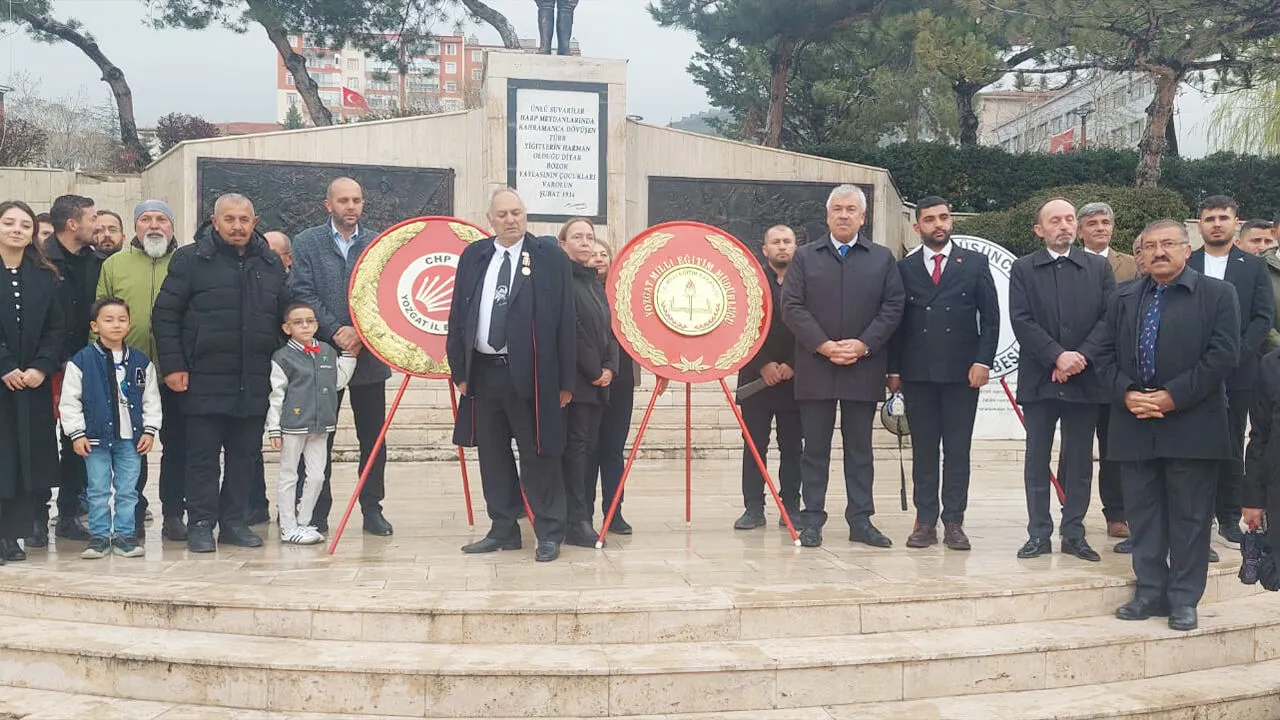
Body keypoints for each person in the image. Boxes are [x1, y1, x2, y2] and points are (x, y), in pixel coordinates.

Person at [1095, 219, 1239, 632]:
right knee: (1144, 515)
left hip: (1193, 423)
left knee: (1190, 518)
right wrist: (1126, 393)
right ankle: (1149, 592)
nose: (1158, 252)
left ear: (1186, 249)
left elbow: (1223, 355)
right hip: (1134, 421)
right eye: (1149, 246)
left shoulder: (1218, 295)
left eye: (1167, 244)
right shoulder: (1122, 297)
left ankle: (1183, 599)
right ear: (1139, 254)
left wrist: (1173, 396)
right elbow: (1102, 353)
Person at [152, 193, 291, 553]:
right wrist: (174, 366)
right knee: (201, 457)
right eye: (229, 219)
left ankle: (233, 522)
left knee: (245, 456)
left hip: (253, 377)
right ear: (215, 222)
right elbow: (165, 315)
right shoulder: (190, 259)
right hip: (202, 378)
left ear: (254, 222)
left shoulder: (269, 263)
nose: (237, 226)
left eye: (244, 219)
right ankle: (200, 523)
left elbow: (284, 312)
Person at [447, 188, 575, 562]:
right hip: (484, 373)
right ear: (490, 219)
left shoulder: (548, 256)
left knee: (539, 453)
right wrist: (460, 369)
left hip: (534, 374)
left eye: (516, 212)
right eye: (502, 214)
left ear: (526, 214)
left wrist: (566, 381)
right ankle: (503, 528)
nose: (510, 220)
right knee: (492, 453)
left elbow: (567, 318)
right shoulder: (475, 256)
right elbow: (458, 315)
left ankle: (549, 531)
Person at [781, 184, 905, 549]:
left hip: (862, 367)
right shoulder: (805, 257)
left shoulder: (882, 259)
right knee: (814, 449)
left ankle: (861, 520)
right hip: (816, 367)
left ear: (862, 217)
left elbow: (893, 307)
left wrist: (863, 344)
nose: (844, 215)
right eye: (837, 209)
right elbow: (792, 306)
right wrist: (823, 345)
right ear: (827, 215)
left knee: (860, 449)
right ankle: (812, 520)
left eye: (851, 209)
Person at [887, 196, 999, 550]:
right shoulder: (904, 269)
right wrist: (893, 370)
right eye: (930, 219)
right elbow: (897, 323)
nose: (939, 224)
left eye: (944, 217)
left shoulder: (975, 264)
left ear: (951, 222)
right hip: (918, 373)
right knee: (924, 451)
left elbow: (992, 318)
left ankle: (954, 521)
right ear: (917, 226)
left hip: (962, 373)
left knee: (957, 451)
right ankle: (924, 521)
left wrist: (983, 362)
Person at [1009, 197, 1115, 561]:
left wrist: (1079, 358)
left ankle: (1074, 532)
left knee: (1081, 460)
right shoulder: (1024, 269)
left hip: (1086, 380)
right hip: (1041, 379)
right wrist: (1056, 356)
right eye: (1055, 220)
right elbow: (1022, 320)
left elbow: (1108, 319)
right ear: (1039, 230)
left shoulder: (1098, 269)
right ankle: (1038, 532)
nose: (1065, 226)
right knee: (1037, 457)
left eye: (1070, 219)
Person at [290, 178, 393, 536]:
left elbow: (386, 294)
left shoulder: (379, 244)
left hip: (369, 357)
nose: (351, 207)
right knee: (319, 438)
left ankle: (372, 508)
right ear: (327, 205)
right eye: (344, 201)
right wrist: (337, 330)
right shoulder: (306, 243)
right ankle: (316, 511)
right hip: (321, 357)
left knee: (373, 438)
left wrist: (361, 333)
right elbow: (302, 292)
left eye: (357, 200)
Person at [96, 199, 187, 542]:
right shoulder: (114, 264)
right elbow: (100, 310)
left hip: (174, 371)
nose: (153, 225)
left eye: (161, 219)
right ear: (135, 227)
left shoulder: (186, 262)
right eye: (146, 219)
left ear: (172, 226)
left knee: (177, 446)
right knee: (131, 447)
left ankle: (175, 514)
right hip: (127, 372)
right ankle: (132, 514)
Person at [1190, 195, 1274, 552]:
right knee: (1196, 445)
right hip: (1193, 371)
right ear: (1200, 225)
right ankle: (1198, 514)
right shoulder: (1188, 263)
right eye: (1210, 218)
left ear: (1235, 223)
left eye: (1223, 217)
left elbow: (1262, 317)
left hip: (1239, 370)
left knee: (1232, 442)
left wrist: (1235, 355)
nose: (1217, 223)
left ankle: (1227, 515)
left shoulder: (1253, 267)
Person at [59, 298, 162, 560]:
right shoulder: (81, 361)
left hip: (131, 439)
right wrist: (77, 433)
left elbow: (151, 398)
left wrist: (149, 430)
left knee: (128, 489)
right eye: (108, 320)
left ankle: (125, 535)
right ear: (95, 326)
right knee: (98, 488)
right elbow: (69, 401)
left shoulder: (140, 362)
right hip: (94, 439)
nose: (116, 325)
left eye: (122, 320)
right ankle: (99, 536)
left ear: (129, 324)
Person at [33, 194, 100, 546]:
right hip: (44, 366)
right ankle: (35, 517)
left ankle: (70, 513)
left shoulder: (96, 262)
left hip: (84, 366)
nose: (97, 224)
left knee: (78, 440)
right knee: (39, 441)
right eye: (91, 218)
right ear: (72, 224)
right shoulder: (39, 260)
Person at [0, 200, 64, 565]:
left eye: (25, 225)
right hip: (2, 379)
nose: (17, 230)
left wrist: (41, 366)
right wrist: (5, 365)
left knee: (24, 458)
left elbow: (57, 328)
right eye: (9, 222)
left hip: (32, 382)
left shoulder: (45, 274)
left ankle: (12, 534)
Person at [1074, 201, 1139, 544]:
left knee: (1114, 446)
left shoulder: (1130, 265)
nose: (1100, 228)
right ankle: (1071, 510)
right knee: (1076, 445)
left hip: (1118, 370)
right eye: (1093, 223)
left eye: (1106, 222)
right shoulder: (1068, 263)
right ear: (1080, 230)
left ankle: (1117, 513)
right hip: (1079, 369)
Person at [266, 302, 356, 545]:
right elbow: (277, 395)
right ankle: (287, 525)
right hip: (293, 424)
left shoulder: (326, 351)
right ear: (287, 328)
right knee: (289, 475)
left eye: (310, 321)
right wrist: (273, 427)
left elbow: (337, 381)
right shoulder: (282, 357)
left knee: (317, 476)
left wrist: (349, 357)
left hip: (322, 424)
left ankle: (304, 521)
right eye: (298, 322)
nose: (305, 326)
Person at [734, 225, 802, 530]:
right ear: (764, 249)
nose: (782, 247)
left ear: (795, 247)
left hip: (795, 380)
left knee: (793, 447)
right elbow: (737, 326)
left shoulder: (807, 283)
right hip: (756, 379)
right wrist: (763, 365)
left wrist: (793, 364)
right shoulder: (748, 282)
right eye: (775, 242)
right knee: (754, 445)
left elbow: (815, 324)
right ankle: (754, 507)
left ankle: (791, 506)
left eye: (787, 241)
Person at [557, 218, 616, 546]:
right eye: (577, 237)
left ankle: (582, 517)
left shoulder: (593, 282)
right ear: (563, 244)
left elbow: (606, 329)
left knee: (587, 451)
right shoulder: (561, 280)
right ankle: (574, 521)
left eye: (590, 237)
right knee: (575, 452)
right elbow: (573, 329)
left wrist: (610, 368)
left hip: (597, 383)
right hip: (574, 384)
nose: (585, 242)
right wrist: (595, 370)